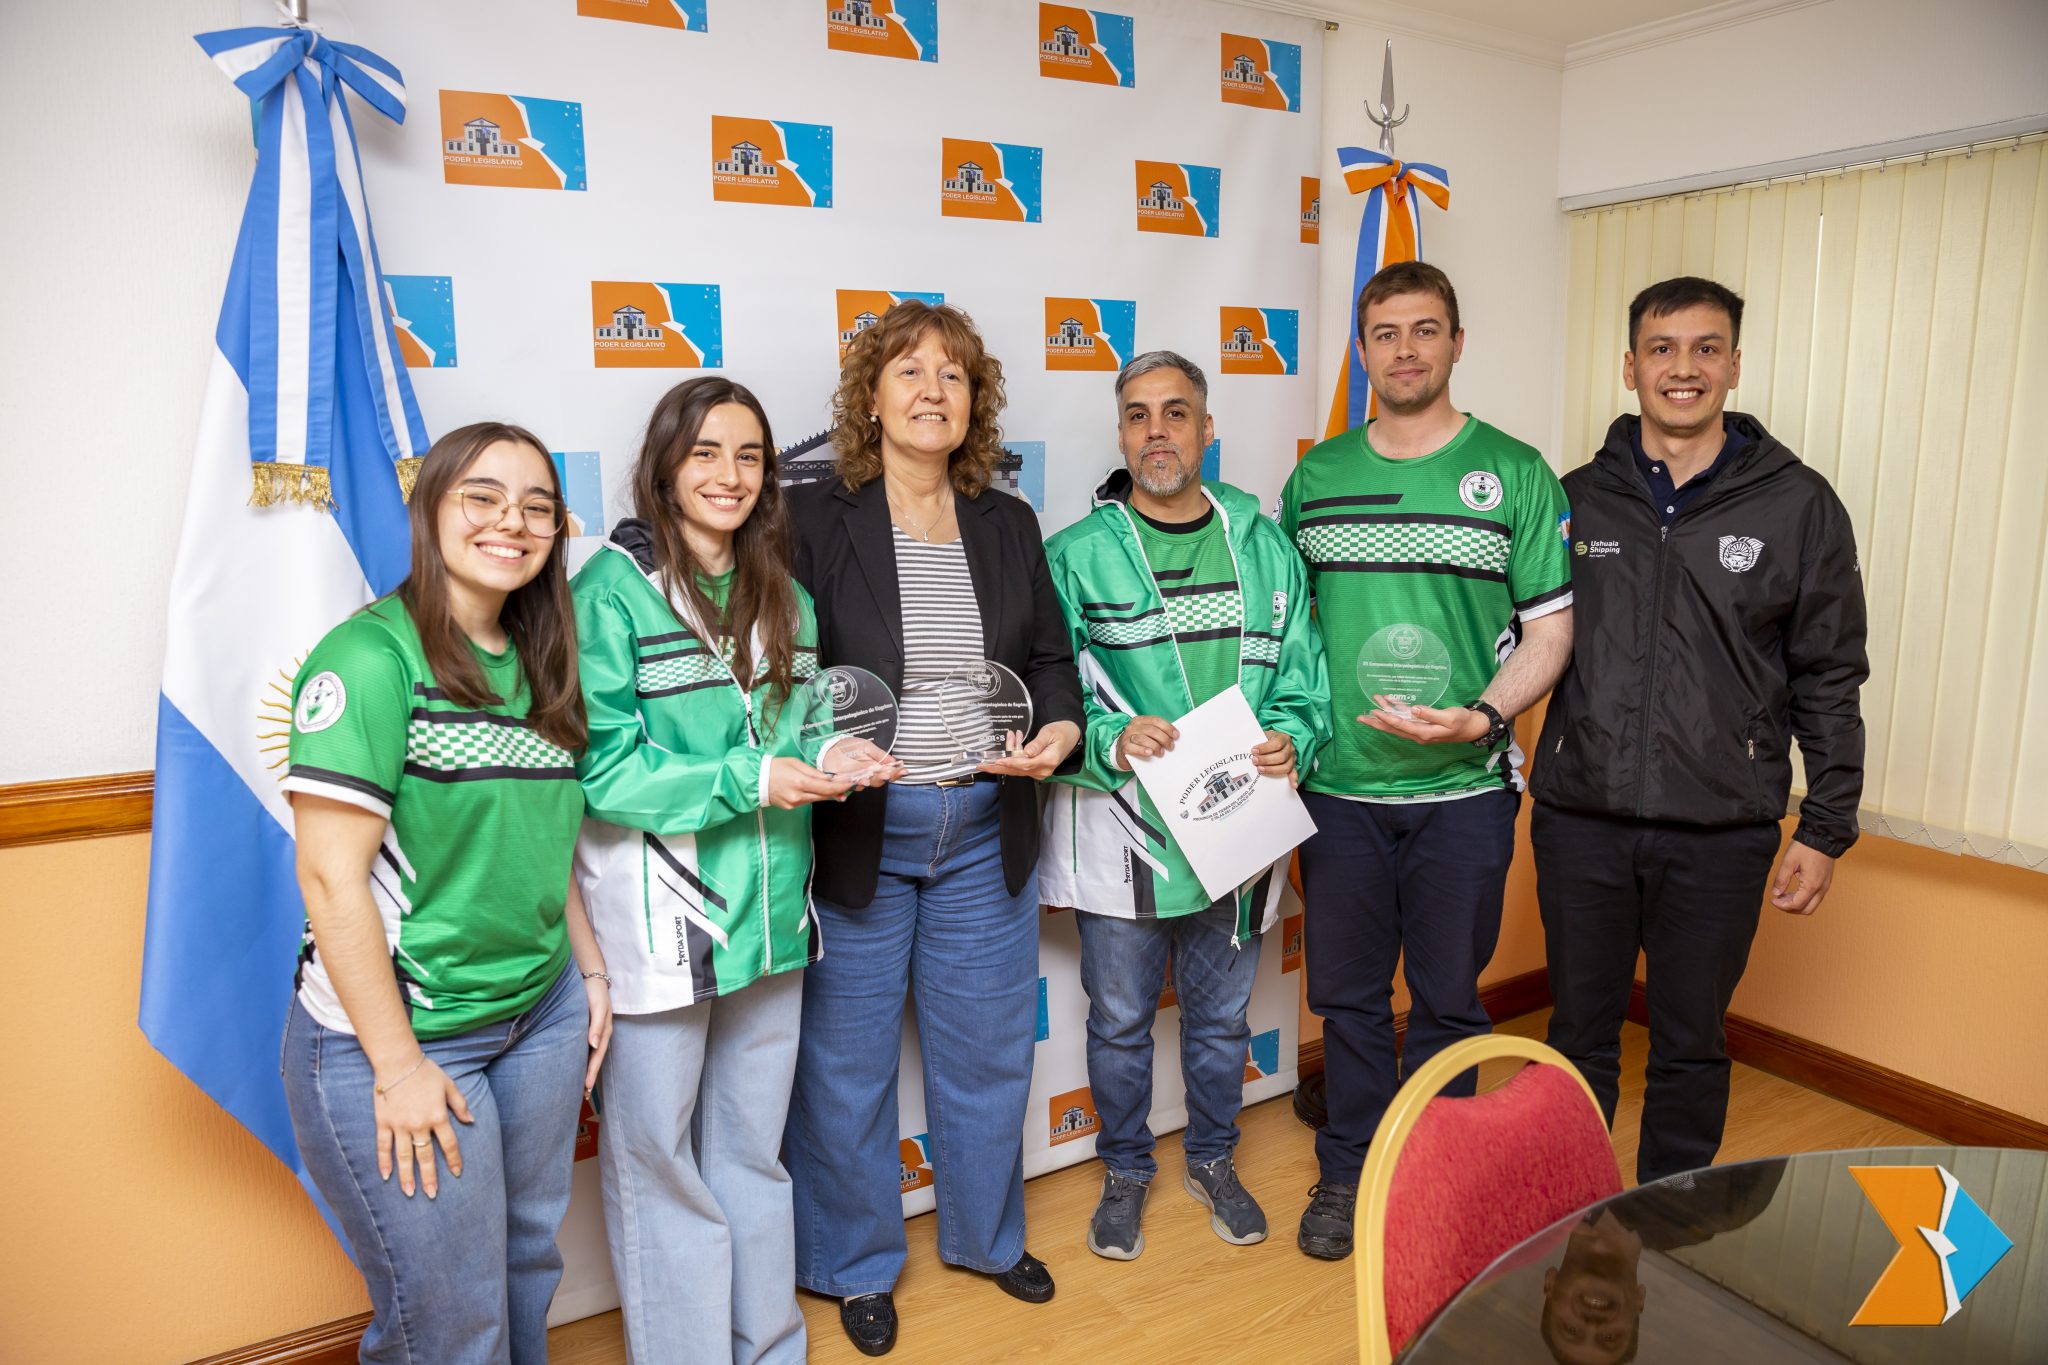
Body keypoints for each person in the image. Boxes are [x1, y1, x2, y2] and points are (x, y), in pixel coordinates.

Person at [572, 378, 896, 1365]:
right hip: (662, 932)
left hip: (771, 918)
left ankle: (770, 1347)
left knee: (753, 1155)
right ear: (665, 467)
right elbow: (602, 770)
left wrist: (833, 752)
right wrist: (750, 776)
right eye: (705, 452)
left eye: (749, 455)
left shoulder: (784, 596)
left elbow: (800, 727)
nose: (729, 474)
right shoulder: (609, 592)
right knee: (659, 1167)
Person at [784, 300, 1085, 1357]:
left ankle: (987, 1240)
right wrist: (825, 748)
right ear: (870, 397)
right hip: (864, 828)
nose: (931, 391)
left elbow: (1050, 660)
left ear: (974, 403)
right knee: (845, 1066)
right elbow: (779, 669)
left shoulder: (1007, 521)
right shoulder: (812, 517)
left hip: (984, 823)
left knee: (987, 1053)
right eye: (908, 371)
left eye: (952, 375)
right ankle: (853, 1265)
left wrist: (1059, 731)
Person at [280, 422, 609, 1364]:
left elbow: (544, 839)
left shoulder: (544, 656)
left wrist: (588, 974)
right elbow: (330, 878)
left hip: (539, 1012)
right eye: (483, 497)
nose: (513, 522)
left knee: (526, 1267)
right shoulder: (369, 659)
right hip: (407, 1034)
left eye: (537, 507)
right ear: (430, 510)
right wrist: (397, 1068)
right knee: (452, 1321)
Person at [1530, 276, 1868, 1185]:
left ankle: (1669, 1228)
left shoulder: (1800, 506)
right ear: (1631, 366)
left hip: (1722, 829)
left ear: (1735, 365)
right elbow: (1520, 640)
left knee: (1689, 1042)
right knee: (1577, 1036)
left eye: (1706, 348)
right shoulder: (1572, 499)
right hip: (1582, 818)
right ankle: (1569, 1210)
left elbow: (1830, 673)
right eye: (1663, 348)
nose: (1684, 368)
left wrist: (1826, 827)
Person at [1278, 261, 1575, 1260]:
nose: (1404, 350)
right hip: (1337, 790)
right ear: (1362, 350)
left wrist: (1483, 716)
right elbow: (1285, 635)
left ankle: (1438, 1178)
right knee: (1349, 1000)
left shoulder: (1515, 474)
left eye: (1424, 329)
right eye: (1384, 333)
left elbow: (1550, 632)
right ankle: (1350, 1171)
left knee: (1448, 999)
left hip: (1463, 791)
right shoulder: (1315, 479)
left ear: (1456, 342)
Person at [1038, 350, 1329, 1261]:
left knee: (1222, 1022)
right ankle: (1126, 1167)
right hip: (1123, 838)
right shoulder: (1075, 554)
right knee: (1120, 1021)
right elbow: (1047, 690)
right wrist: (1110, 734)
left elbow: (1303, 679)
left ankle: (1211, 1156)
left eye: (1175, 413)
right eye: (1137, 415)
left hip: (1237, 834)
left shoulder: (1265, 545)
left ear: (1208, 429)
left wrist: (1294, 737)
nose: (1156, 431)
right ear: (1121, 434)